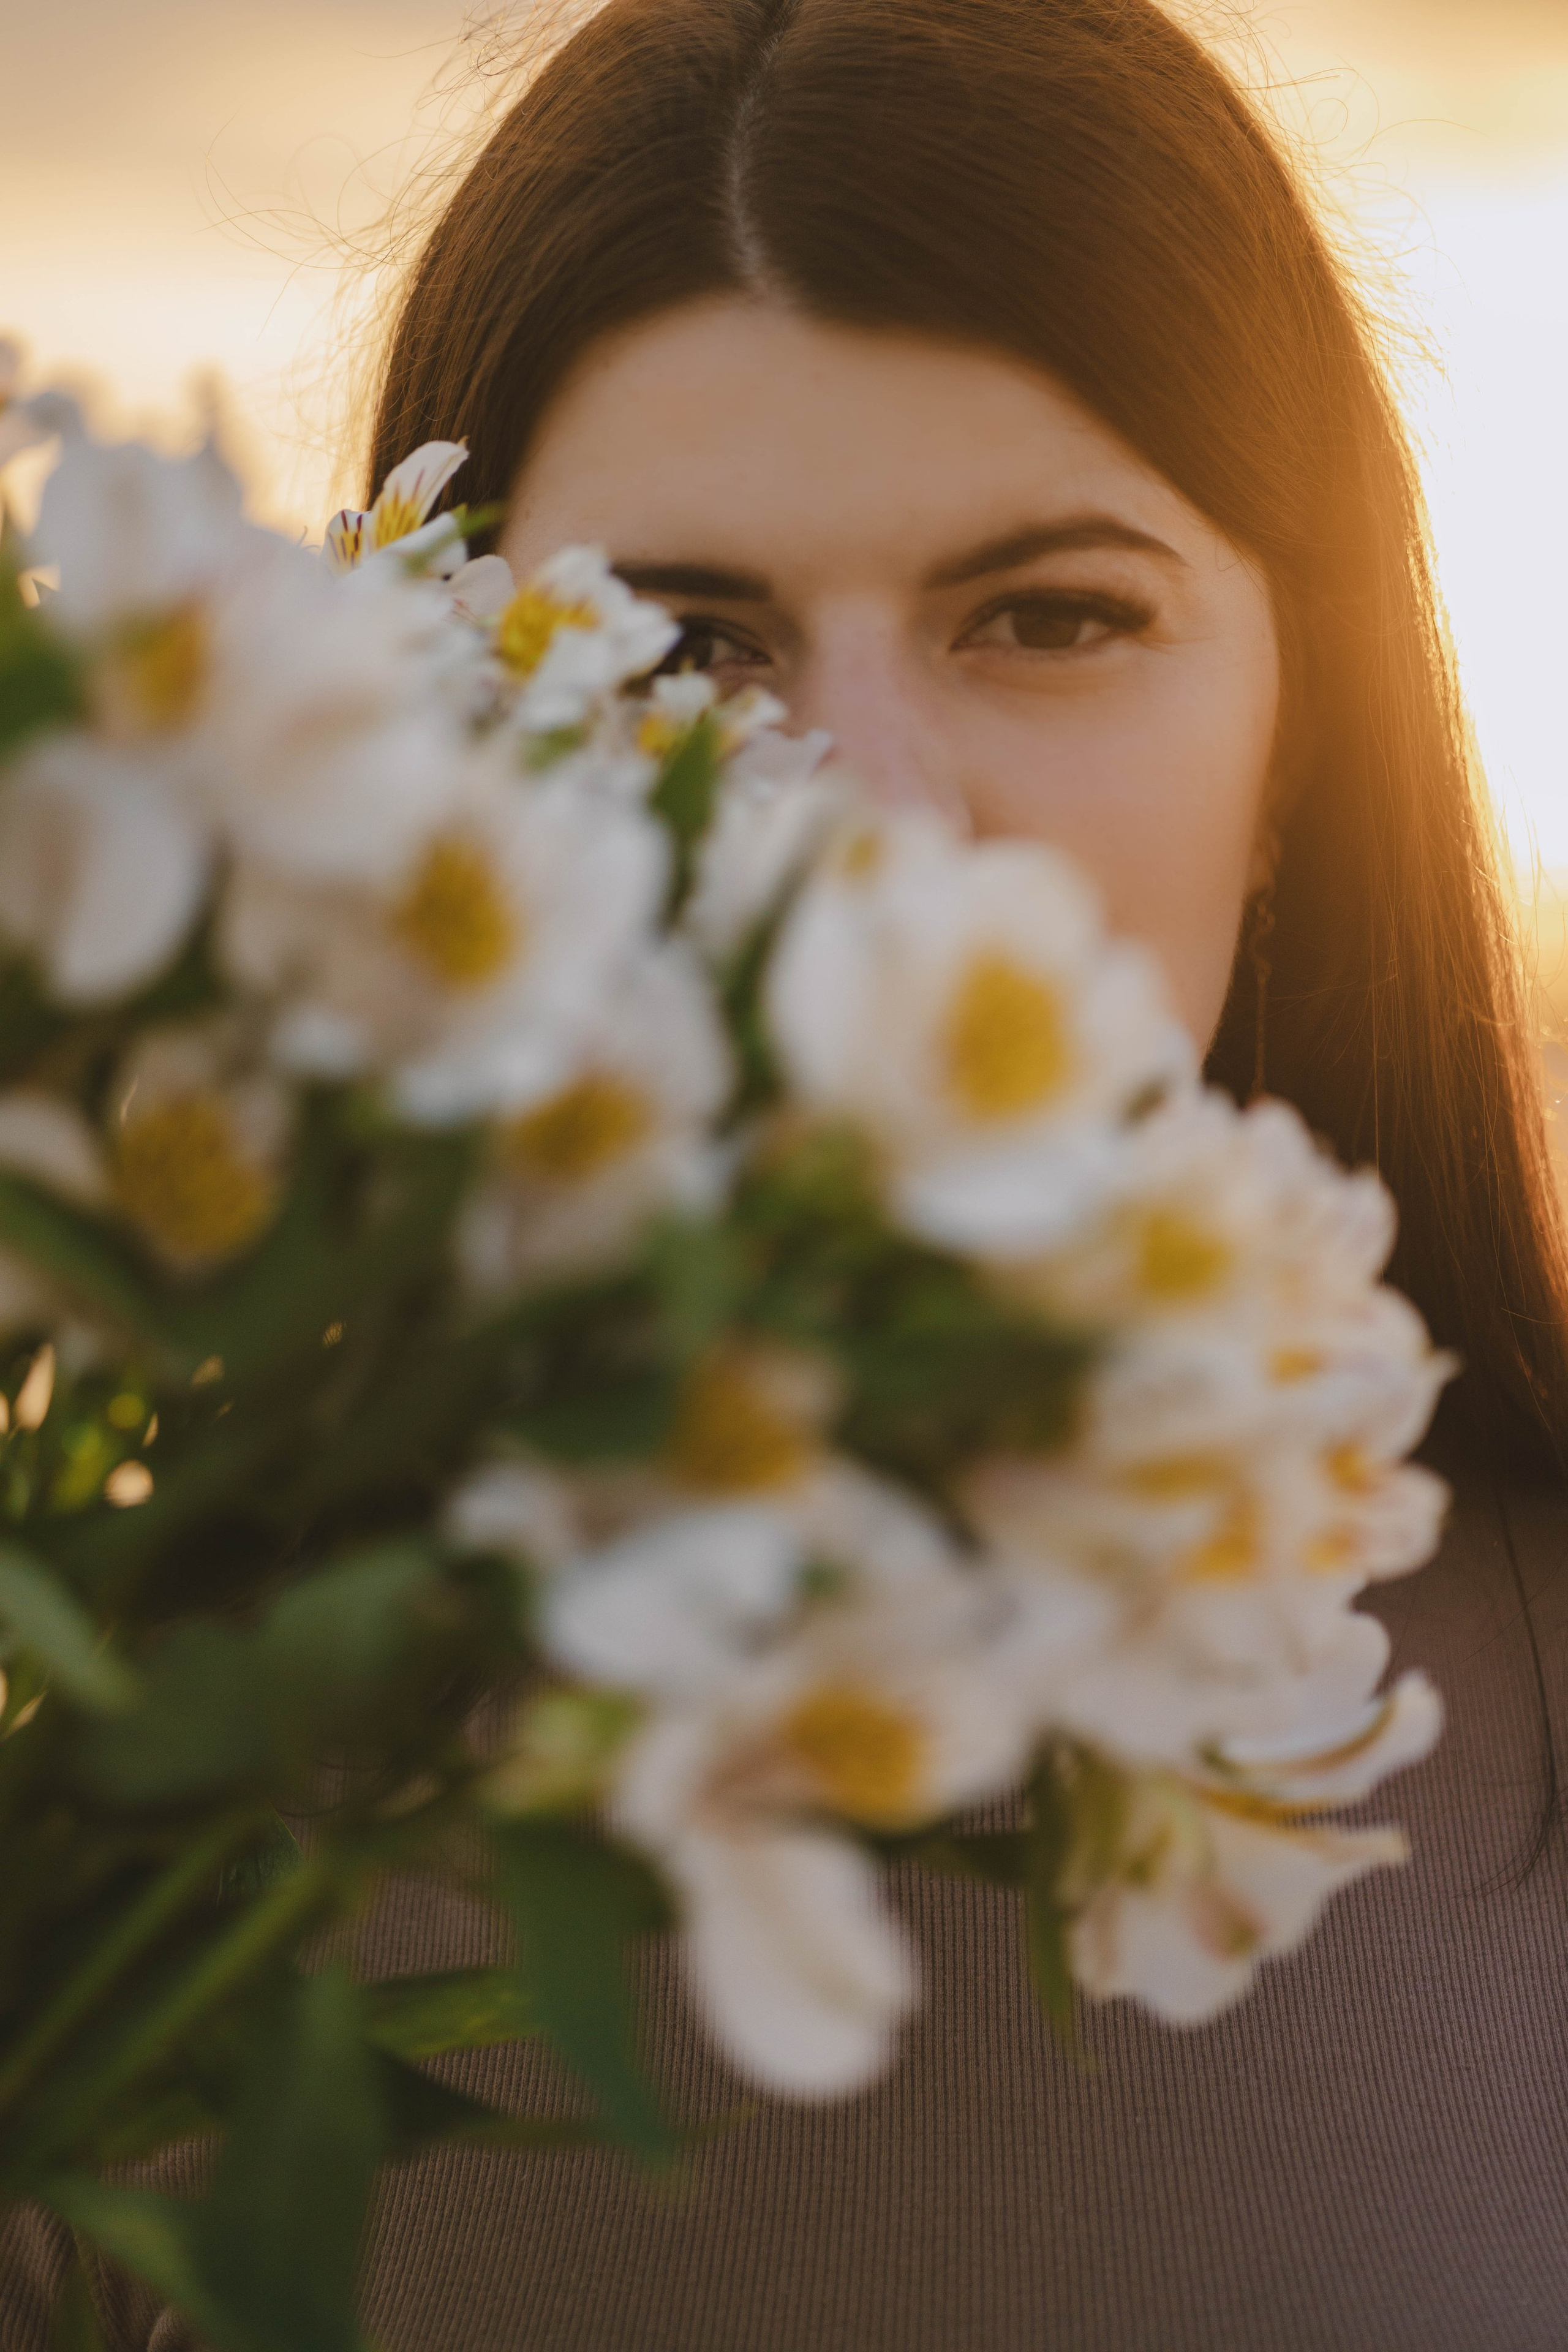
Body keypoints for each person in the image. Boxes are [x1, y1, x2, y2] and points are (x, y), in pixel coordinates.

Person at [7, 1, 1568, 2345]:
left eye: (1055, 617)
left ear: (1296, 747)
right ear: (444, 732)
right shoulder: (148, 1838)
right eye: (683, 644)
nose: (869, 823)